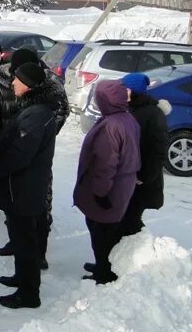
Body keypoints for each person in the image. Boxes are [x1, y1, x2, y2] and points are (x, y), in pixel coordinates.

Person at [0, 48, 68, 264]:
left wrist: (42, 135)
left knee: (39, 206)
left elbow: (62, 111)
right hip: (9, 152)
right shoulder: (2, 84)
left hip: (32, 155)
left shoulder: (48, 86)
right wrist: (3, 140)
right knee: (11, 204)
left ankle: (38, 251)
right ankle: (17, 243)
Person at [0, 63, 58, 309]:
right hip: (23, 186)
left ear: (28, 84)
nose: (12, 84)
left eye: (17, 80)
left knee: (25, 240)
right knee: (21, 238)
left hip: (24, 188)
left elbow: (20, 154)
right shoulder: (35, 109)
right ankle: (22, 277)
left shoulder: (36, 114)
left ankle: (29, 294)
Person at [74, 80, 141, 285]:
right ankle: (102, 265)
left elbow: (106, 163)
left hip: (110, 187)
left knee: (101, 232)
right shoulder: (126, 118)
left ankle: (104, 273)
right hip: (123, 183)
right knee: (105, 228)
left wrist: (101, 192)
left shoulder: (112, 125)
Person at [118, 73, 169, 236]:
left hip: (140, 179)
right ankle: (115, 259)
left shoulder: (153, 114)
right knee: (120, 219)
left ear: (132, 91)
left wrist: (144, 177)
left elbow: (158, 150)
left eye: (123, 88)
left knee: (131, 220)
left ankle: (139, 255)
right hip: (125, 175)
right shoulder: (126, 107)